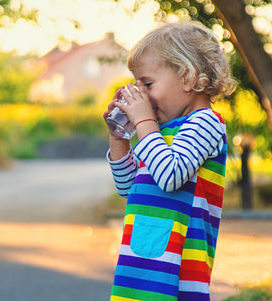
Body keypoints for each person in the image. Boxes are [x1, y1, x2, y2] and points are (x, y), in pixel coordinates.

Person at [103, 22, 236, 301]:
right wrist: (120, 139)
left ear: (188, 78)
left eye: (147, 84)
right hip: (142, 267)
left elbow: (171, 175)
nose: (142, 95)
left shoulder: (206, 123)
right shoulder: (160, 132)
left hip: (178, 277)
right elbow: (129, 188)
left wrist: (144, 122)